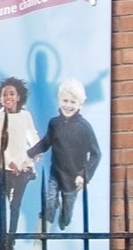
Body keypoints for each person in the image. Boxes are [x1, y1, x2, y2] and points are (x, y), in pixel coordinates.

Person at [32, 78, 103, 231]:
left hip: (72, 178)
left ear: (79, 105)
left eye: (73, 102)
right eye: (65, 100)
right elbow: (45, 143)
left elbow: (96, 154)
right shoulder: (54, 123)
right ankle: (39, 243)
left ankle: (64, 216)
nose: (68, 105)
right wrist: (29, 154)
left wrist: (83, 175)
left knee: (66, 213)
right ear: (59, 101)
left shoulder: (84, 127)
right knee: (49, 202)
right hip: (55, 174)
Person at [0, 75, 37, 250]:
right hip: (5, 170)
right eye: (5, 94)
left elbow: (33, 138)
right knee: (5, 207)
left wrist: (28, 159)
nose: (8, 97)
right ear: (0, 98)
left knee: (16, 206)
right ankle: (6, 242)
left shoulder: (25, 116)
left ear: (18, 97)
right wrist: (9, 162)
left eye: (12, 94)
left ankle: (10, 243)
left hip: (22, 169)